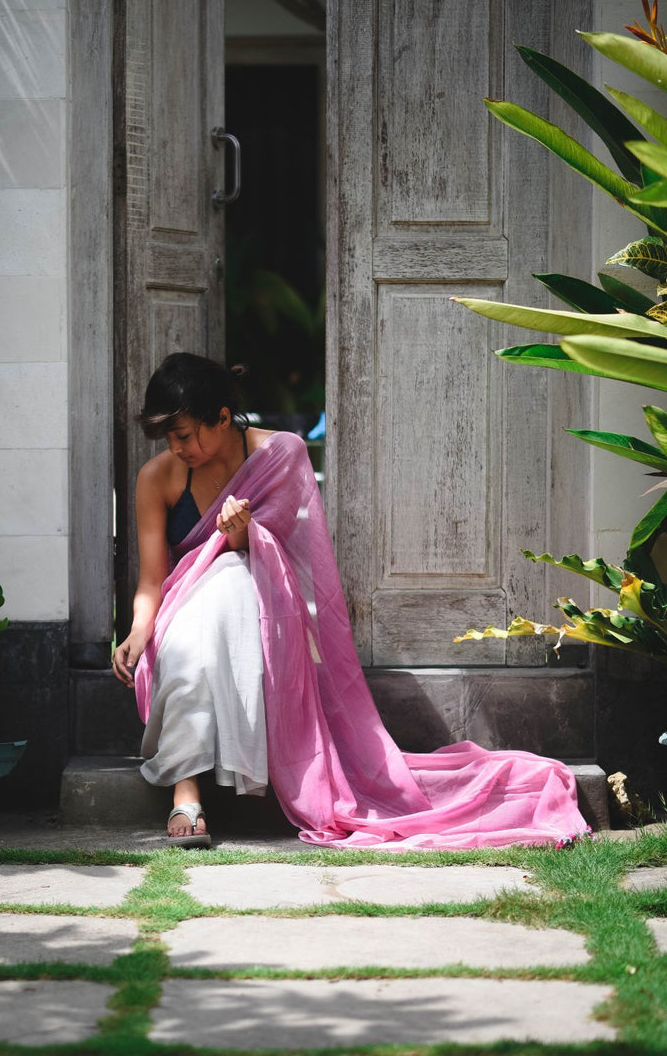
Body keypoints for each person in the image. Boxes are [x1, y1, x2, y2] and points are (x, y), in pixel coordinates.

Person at [112, 351, 590, 850]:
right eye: (168, 437)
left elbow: (293, 564)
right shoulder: (158, 478)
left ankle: (191, 790)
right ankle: (186, 787)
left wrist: (242, 537)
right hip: (187, 612)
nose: (176, 447)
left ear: (223, 418)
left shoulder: (281, 454)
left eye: (185, 435)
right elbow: (154, 581)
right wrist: (139, 631)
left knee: (232, 577)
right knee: (194, 629)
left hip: (263, 617)